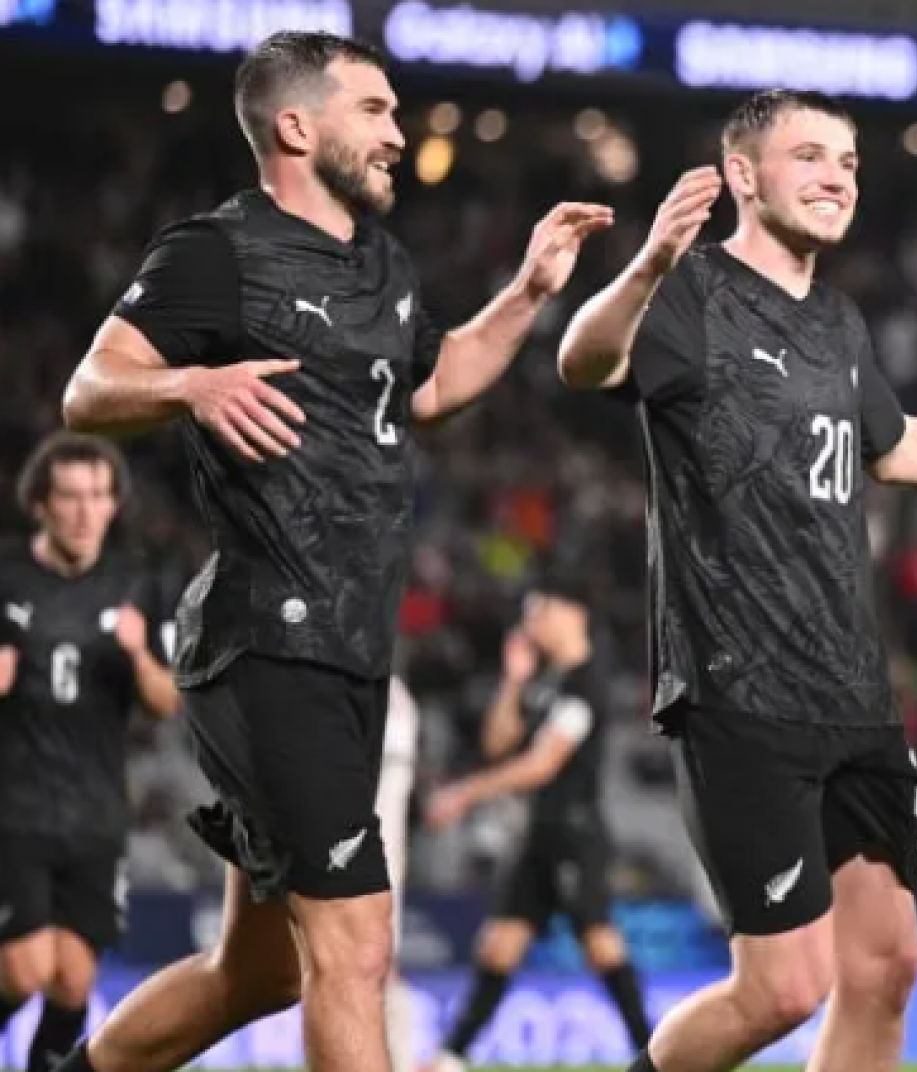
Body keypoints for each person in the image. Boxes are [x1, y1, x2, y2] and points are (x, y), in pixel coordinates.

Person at [54, 30, 610, 1072]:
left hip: (352, 649)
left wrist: (531, 292)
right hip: (269, 639)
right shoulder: (216, 251)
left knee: (259, 971)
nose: (398, 133)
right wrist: (190, 384)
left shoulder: (381, 262)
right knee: (355, 945)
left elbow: (433, 387)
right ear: (296, 127)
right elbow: (90, 388)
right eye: (376, 110)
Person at [559, 88, 917, 1072]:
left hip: (854, 692)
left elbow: (894, 446)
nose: (835, 177)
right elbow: (583, 361)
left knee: (888, 963)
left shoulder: (840, 320)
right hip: (742, 689)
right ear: (743, 174)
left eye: (847, 162)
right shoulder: (692, 291)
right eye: (809, 156)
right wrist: (648, 263)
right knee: (781, 989)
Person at [0, 433, 179, 1072]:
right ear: (40, 505)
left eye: (98, 496)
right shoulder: (6, 576)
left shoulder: (137, 583)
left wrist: (138, 656)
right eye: (71, 497)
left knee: (72, 983)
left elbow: (166, 702)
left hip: (96, 813)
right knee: (25, 971)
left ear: (113, 504)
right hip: (15, 808)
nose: (85, 512)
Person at [422, 575, 652, 1069]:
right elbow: (497, 744)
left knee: (599, 943)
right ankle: (452, 1057)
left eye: (539, 611)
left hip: (575, 833)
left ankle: (653, 1052)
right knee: (499, 945)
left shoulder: (587, 682)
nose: (530, 624)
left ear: (571, 613)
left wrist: (465, 792)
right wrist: (513, 678)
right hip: (536, 834)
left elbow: (541, 765)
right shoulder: (545, 682)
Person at [380, 673, 422, 1072]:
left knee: (378, 964)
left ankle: (402, 1062)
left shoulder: (392, 696)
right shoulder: (395, 695)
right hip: (362, 851)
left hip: (374, 855)